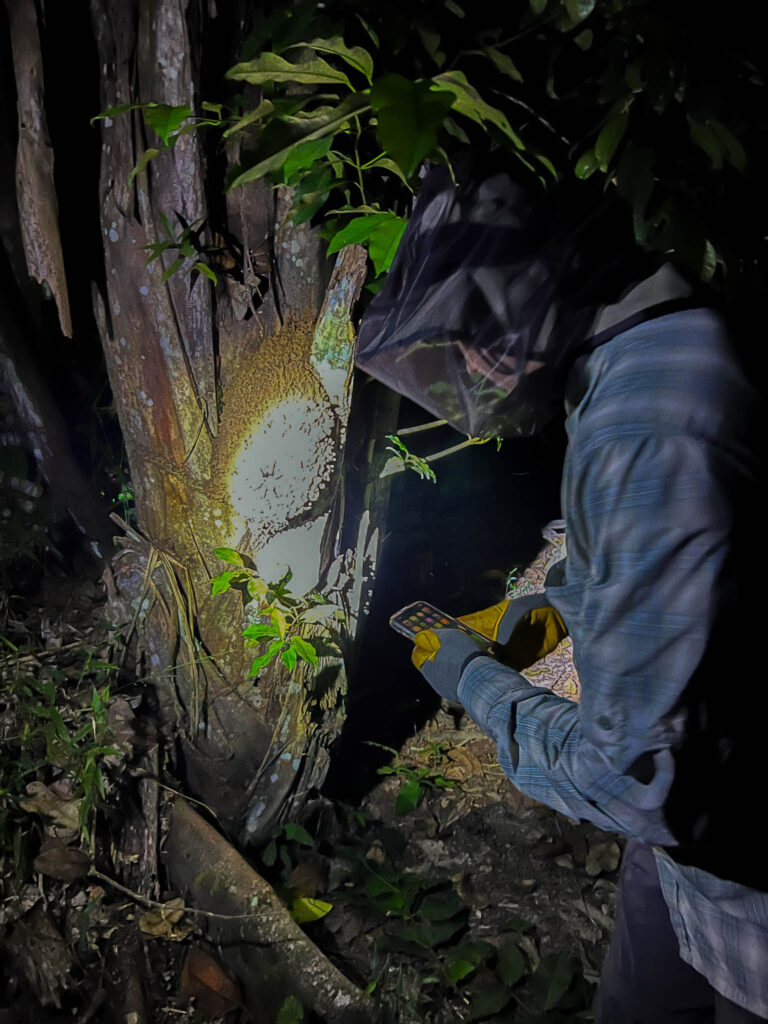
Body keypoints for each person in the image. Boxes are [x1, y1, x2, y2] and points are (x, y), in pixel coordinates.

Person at [355, 163, 767, 1022]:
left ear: (548, 265)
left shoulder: (647, 427)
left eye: (477, 326)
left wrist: (478, 683)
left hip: (745, 886)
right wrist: (559, 603)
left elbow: (634, 779)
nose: (470, 363)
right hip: (686, 857)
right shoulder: (661, 337)